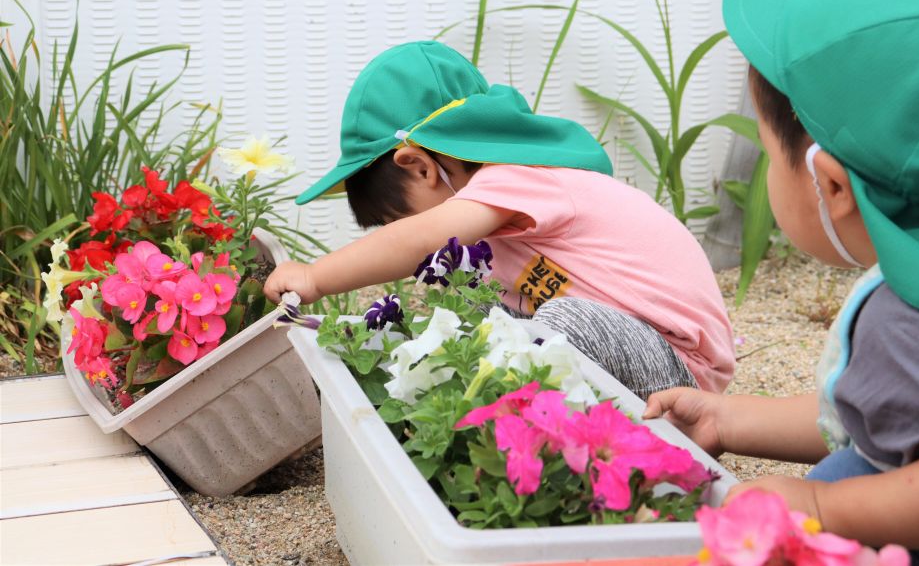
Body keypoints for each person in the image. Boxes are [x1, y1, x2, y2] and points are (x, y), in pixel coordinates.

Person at [643, 0, 919, 565]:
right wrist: (730, 419)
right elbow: (894, 409)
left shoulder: (910, 321)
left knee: (842, 486)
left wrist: (820, 509)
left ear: (831, 185)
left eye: (769, 151)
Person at [264, 40, 734, 397]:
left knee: (554, 325)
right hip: (626, 354)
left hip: (677, 370)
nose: (402, 234)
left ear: (421, 167)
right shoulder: (496, 225)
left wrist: (315, 276)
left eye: (398, 220)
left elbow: (420, 240)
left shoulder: (519, 177)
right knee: (487, 322)